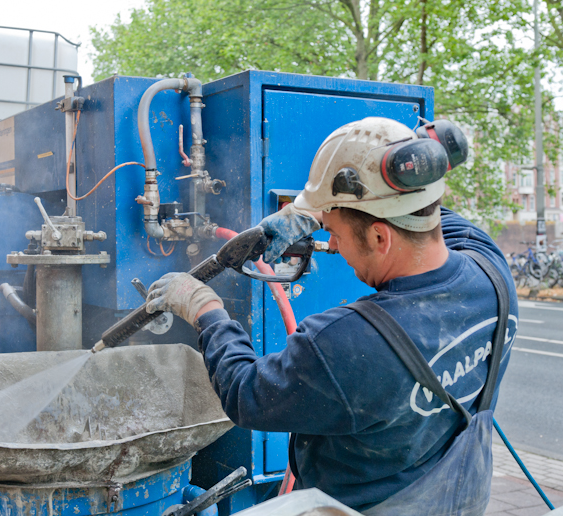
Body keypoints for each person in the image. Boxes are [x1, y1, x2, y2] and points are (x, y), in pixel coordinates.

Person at [146, 117, 518, 515]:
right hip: (459, 501)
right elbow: (427, 212)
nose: (333, 245)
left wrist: (206, 310)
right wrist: (313, 212)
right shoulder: (491, 270)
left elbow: (245, 392)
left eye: (334, 232)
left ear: (379, 237)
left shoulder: (349, 342)